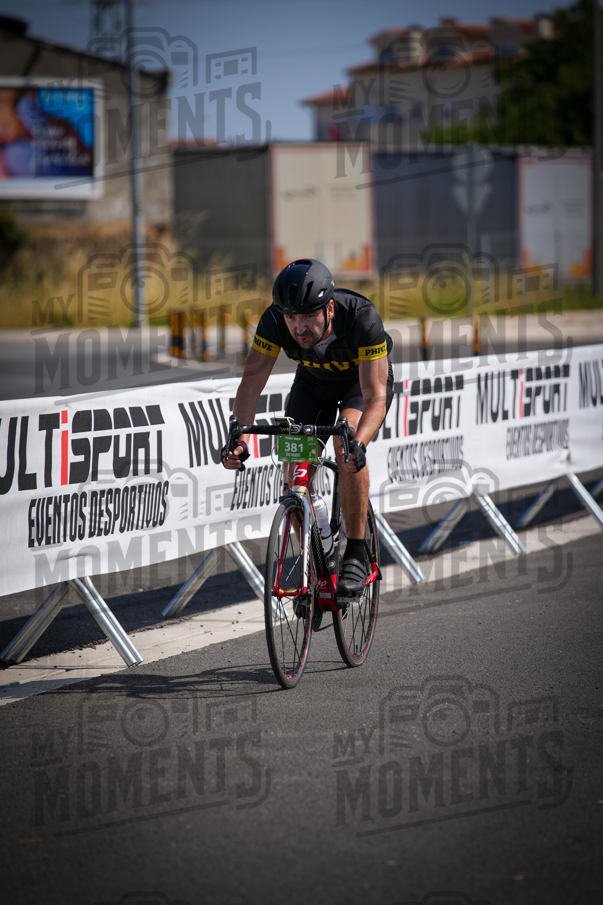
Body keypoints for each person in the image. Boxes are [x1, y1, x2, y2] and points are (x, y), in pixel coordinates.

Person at [222, 258, 394, 598]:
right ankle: (315, 564)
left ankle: (357, 552)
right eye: (291, 318)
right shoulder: (273, 321)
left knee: (347, 449)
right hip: (313, 384)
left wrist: (359, 443)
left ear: (329, 308)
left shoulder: (361, 317)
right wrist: (239, 436)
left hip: (359, 386)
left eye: (309, 316)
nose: (299, 327)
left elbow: (376, 396)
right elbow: (250, 383)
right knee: (295, 474)